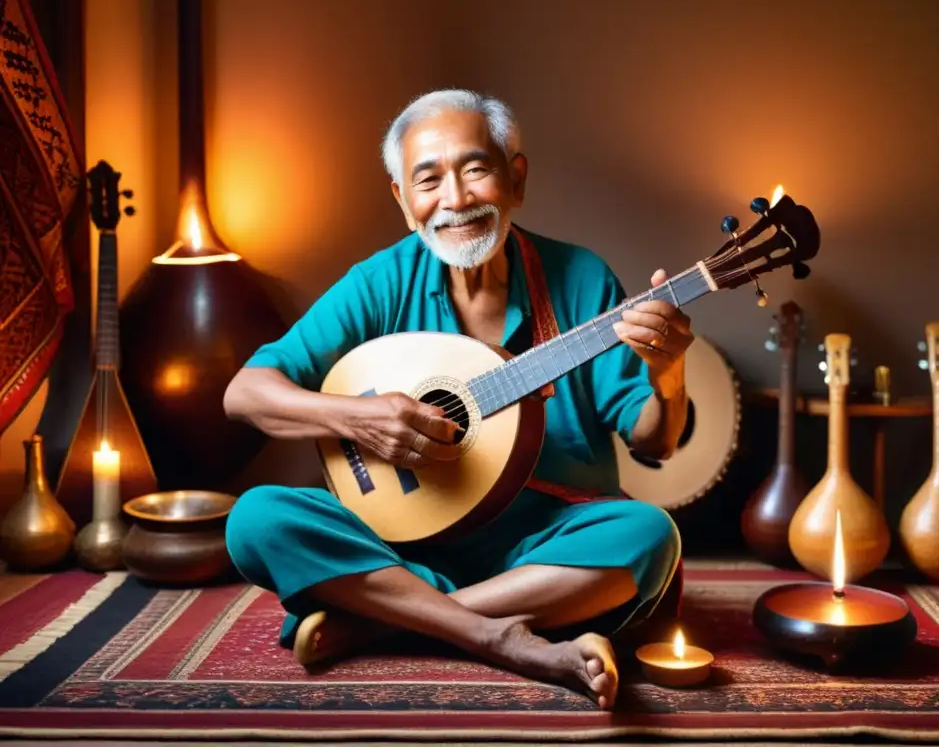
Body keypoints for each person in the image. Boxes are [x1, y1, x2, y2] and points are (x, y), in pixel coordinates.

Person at [222, 89, 694, 710]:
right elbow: (245, 393)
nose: (456, 199)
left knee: (649, 534)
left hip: (542, 546)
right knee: (255, 519)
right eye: (428, 180)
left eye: (476, 169)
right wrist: (359, 417)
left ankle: (380, 622)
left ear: (515, 179)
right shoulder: (380, 282)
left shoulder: (581, 279)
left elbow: (653, 438)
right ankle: (497, 634)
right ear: (402, 199)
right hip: (398, 548)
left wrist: (670, 373)